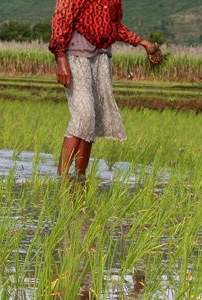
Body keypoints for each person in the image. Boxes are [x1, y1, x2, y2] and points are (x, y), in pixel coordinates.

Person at [48, 0, 162, 181]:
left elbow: (114, 27)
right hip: (76, 55)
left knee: (94, 116)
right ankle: (61, 178)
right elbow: (61, 20)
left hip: (101, 57)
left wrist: (144, 43)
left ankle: (80, 177)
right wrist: (61, 60)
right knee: (83, 115)